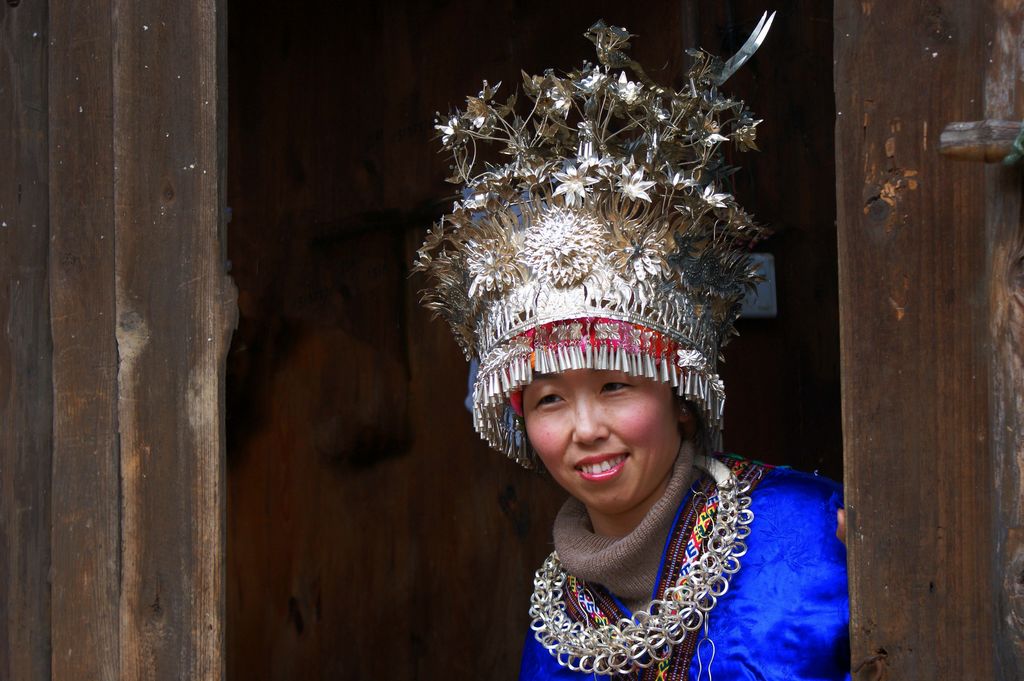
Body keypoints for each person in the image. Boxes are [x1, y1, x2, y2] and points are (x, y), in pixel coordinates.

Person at [415, 18, 850, 680]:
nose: (586, 429)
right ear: (522, 421)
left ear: (679, 396)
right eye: (550, 398)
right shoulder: (555, 632)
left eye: (615, 385)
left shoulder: (817, 534)